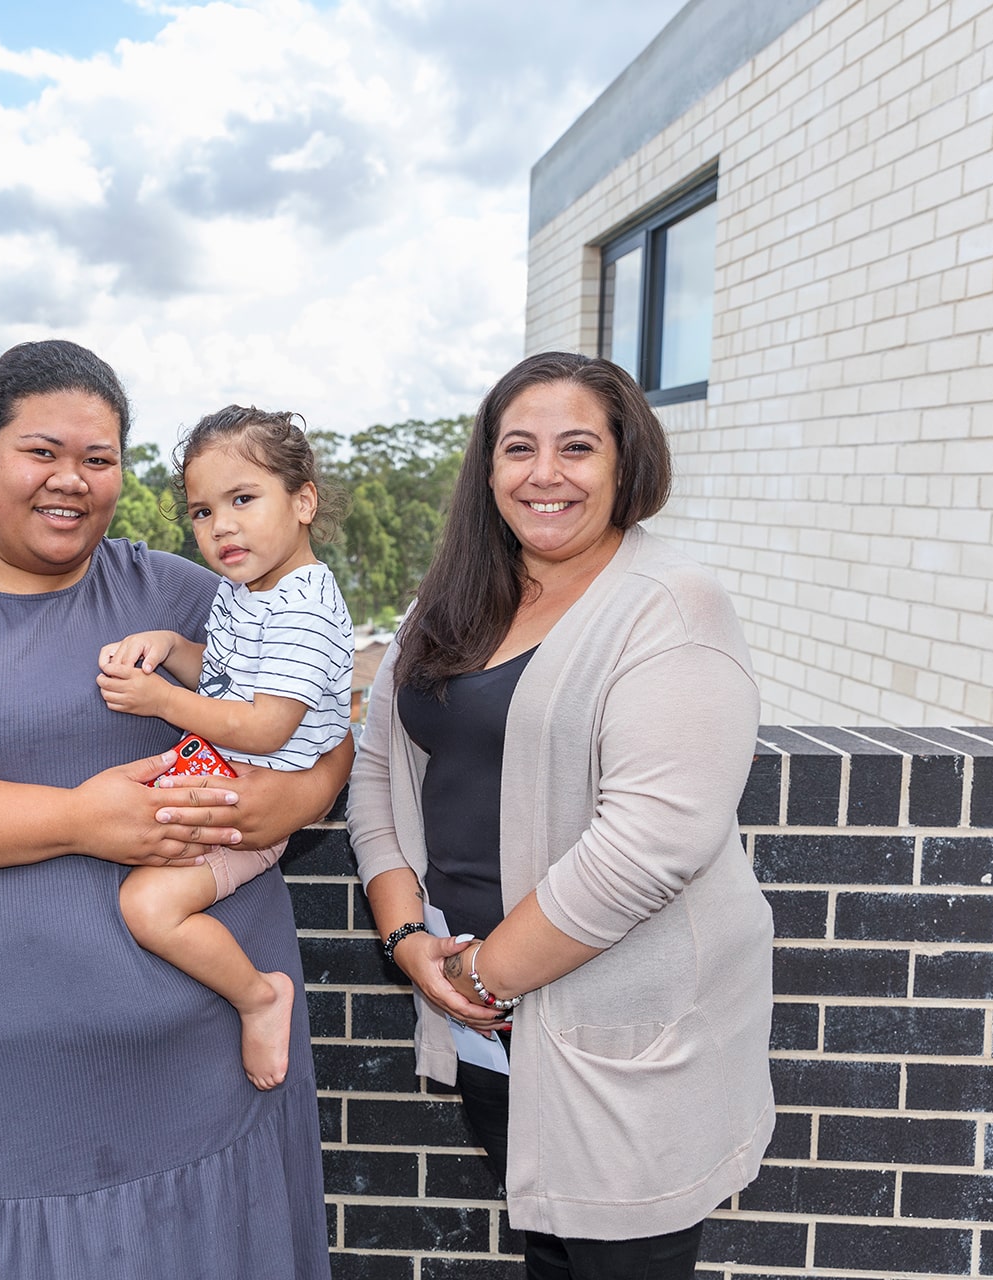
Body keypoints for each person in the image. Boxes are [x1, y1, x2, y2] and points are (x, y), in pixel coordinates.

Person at [0, 341, 345, 1280]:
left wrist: (289, 799)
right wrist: (80, 820)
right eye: (41, 452)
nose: (71, 481)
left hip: (205, 1083)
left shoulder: (184, 594)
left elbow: (322, 722)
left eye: (98, 460)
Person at [348, 351, 774, 1280]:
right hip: (483, 1021)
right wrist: (408, 937)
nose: (545, 473)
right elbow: (378, 767)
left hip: (621, 1041)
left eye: (576, 447)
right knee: (548, 1249)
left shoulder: (671, 606)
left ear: (626, 464)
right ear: (488, 468)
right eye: (519, 448)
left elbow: (653, 840)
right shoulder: (449, 603)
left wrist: (483, 973)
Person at [95, 406, 352, 1091]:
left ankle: (257, 996)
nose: (222, 527)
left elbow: (268, 725)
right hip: (217, 779)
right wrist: (175, 649)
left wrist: (162, 702)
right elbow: (234, 675)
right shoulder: (253, 592)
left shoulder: (301, 606)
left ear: (303, 501)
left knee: (147, 906)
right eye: (203, 512)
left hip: (248, 812)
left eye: (243, 499)